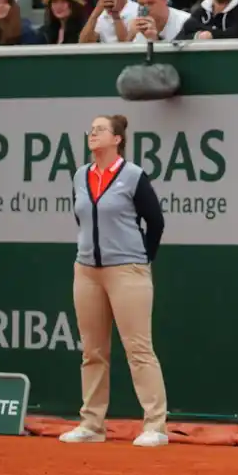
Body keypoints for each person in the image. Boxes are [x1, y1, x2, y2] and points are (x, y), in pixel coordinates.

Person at [58, 114, 170, 449]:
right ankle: (92, 424)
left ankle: (156, 426)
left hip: (128, 271)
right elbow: (80, 216)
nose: (93, 133)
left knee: (138, 349)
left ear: (117, 138)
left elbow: (155, 221)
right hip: (86, 270)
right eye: (91, 129)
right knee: (92, 351)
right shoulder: (80, 176)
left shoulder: (133, 175)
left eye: (100, 129)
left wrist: (139, 258)